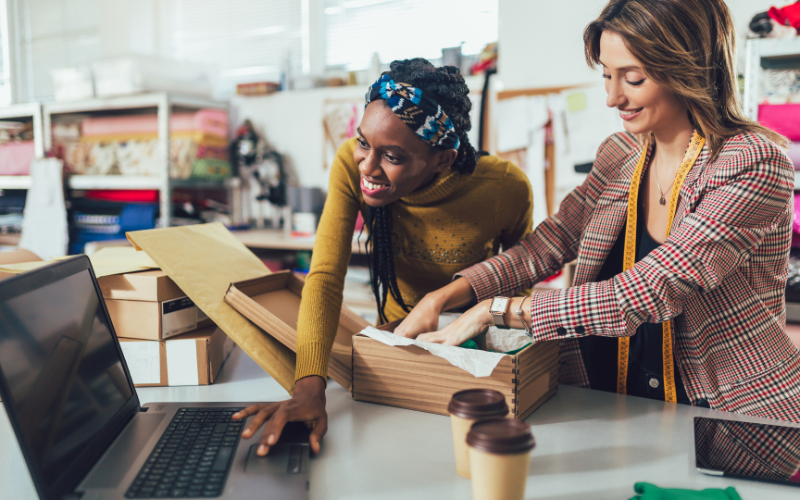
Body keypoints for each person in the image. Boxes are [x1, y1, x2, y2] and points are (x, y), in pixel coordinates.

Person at [400, 0, 800, 422]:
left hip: (723, 413)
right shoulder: (620, 154)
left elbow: (648, 291)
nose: (613, 97)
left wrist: (497, 310)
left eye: (633, 78)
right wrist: (444, 297)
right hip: (610, 400)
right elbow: (546, 247)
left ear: (689, 66)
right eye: (608, 76)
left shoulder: (753, 161)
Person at [234, 58, 533, 453]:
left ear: (442, 158)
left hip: (473, 360)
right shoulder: (351, 165)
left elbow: (519, 289)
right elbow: (324, 277)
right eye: (363, 142)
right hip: (395, 354)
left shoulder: (503, 187)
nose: (368, 167)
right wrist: (308, 389)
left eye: (392, 156)